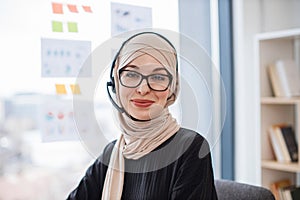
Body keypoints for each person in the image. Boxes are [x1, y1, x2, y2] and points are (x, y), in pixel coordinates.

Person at [67, 31, 218, 200]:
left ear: (172, 88)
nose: (143, 89)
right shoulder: (113, 153)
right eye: (131, 74)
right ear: (116, 83)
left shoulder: (190, 148)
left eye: (158, 77)